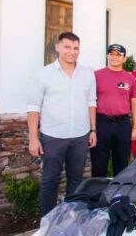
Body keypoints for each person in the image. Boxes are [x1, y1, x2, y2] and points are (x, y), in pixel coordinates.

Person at [27, 32, 97, 216]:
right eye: (67, 47)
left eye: (76, 48)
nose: (72, 52)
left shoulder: (87, 74)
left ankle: (70, 216)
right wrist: (33, 138)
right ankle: (48, 219)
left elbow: (91, 102)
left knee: (76, 178)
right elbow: (34, 107)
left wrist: (93, 130)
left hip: (80, 136)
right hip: (53, 137)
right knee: (50, 180)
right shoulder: (43, 74)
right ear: (57, 47)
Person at [92, 44, 136, 177]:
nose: (114, 57)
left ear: (124, 58)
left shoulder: (130, 78)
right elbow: (89, 102)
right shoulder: (96, 75)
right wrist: (92, 128)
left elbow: (135, 103)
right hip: (101, 122)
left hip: (123, 124)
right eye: (111, 54)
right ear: (107, 55)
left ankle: (118, 195)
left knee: (121, 163)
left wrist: (135, 127)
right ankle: (98, 194)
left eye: (118, 55)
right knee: (99, 163)